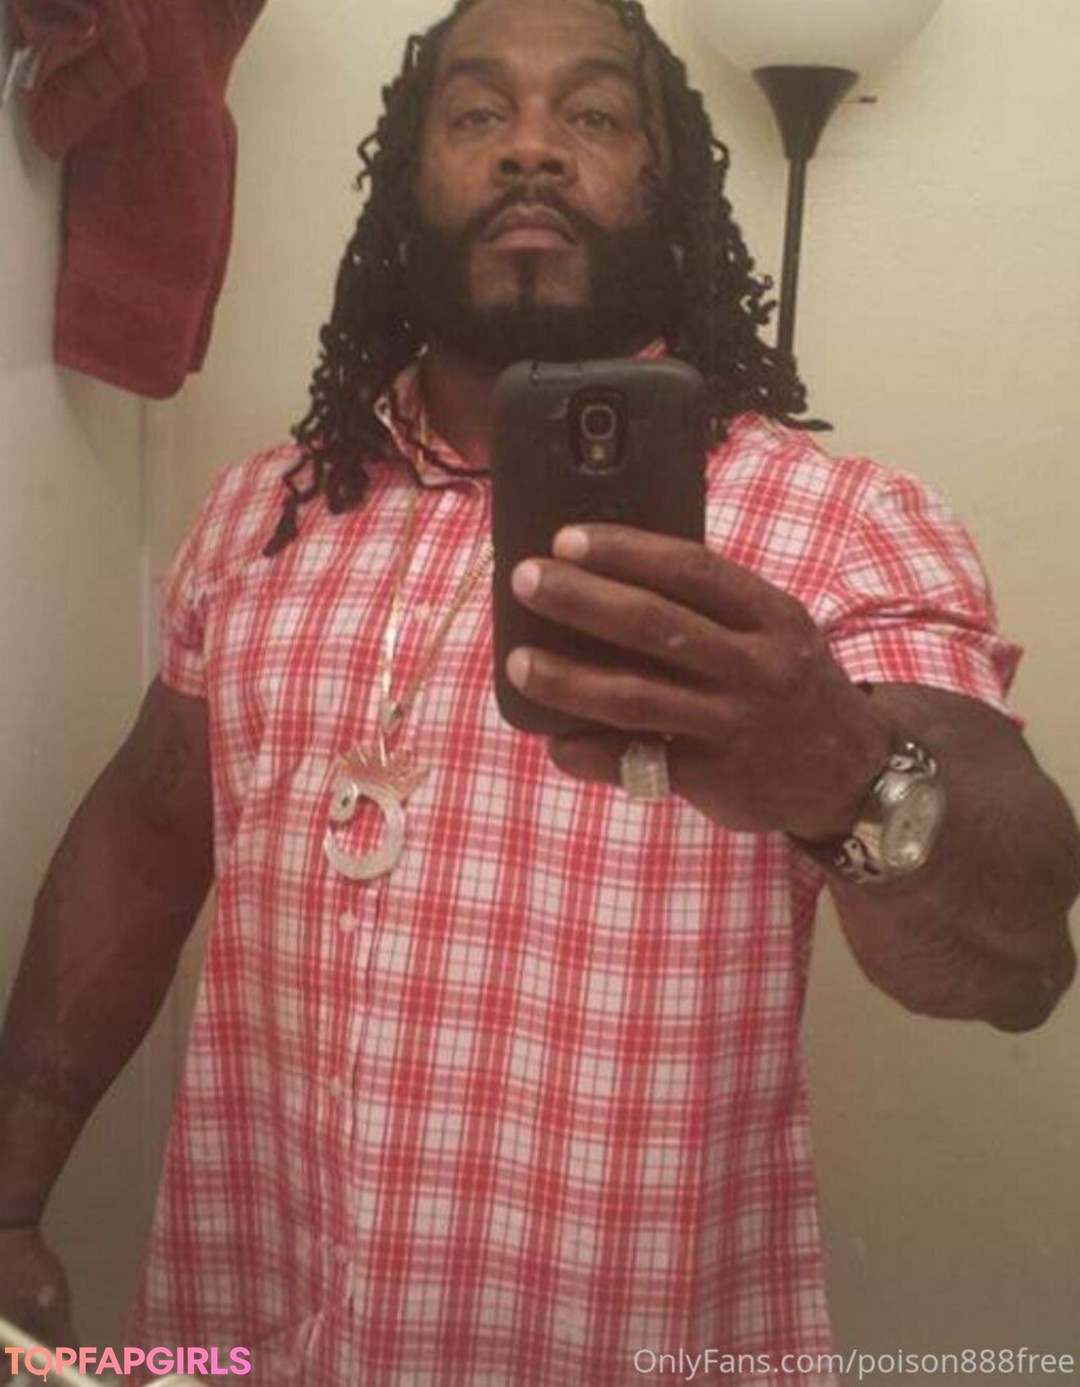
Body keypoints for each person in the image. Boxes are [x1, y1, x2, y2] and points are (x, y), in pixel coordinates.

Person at [1, 0, 1078, 1382]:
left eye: (593, 113)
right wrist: (12, 1191)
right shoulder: (264, 514)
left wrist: (845, 772)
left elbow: (1020, 963)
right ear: (404, 183)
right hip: (253, 1329)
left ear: (670, 188)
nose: (529, 149)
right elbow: (148, 838)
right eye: (475, 113)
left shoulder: (838, 528)